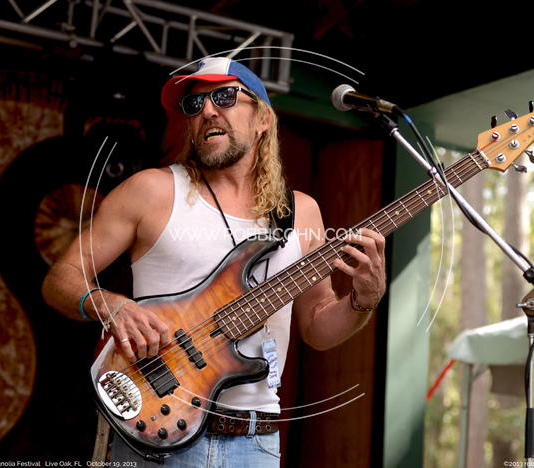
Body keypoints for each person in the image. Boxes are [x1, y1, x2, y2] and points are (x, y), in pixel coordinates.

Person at [41, 57, 386, 466]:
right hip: (154, 430)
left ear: (262, 119)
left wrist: (363, 300)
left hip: (255, 443)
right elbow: (60, 279)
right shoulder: (151, 191)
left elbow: (317, 326)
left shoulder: (301, 212)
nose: (207, 110)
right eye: (194, 104)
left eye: (224, 96)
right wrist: (110, 305)